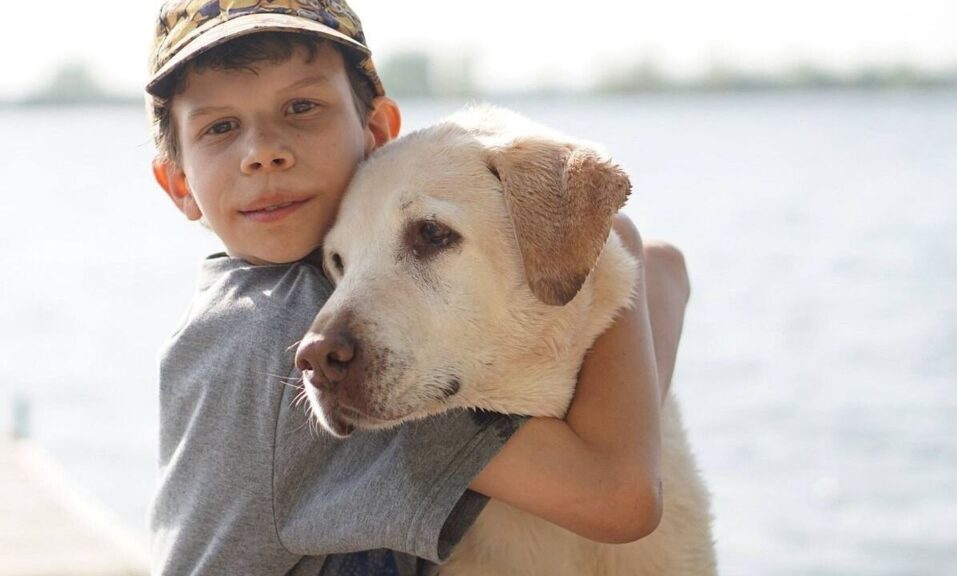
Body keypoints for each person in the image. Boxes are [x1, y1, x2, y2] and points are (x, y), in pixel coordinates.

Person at [145, 1, 690, 575]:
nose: (263, 153)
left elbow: (663, 264)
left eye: (301, 106)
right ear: (178, 182)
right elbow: (617, 496)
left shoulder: (287, 289)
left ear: (377, 133)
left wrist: (597, 238)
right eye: (220, 127)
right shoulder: (274, 335)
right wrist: (619, 243)